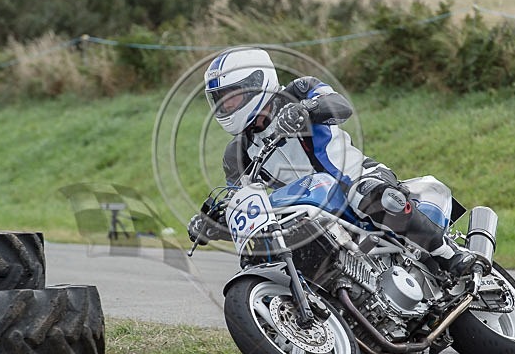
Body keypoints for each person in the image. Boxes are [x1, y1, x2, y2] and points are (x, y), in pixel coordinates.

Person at [188, 47, 477, 277]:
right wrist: (216, 222)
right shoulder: (236, 154)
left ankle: (448, 255)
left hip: (354, 178)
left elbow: (340, 106)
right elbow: (246, 201)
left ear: (256, 83)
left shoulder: (299, 91)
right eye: (220, 99)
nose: (226, 106)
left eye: (232, 96)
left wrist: (306, 109)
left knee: (373, 197)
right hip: (305, 206)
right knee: (270, 249)